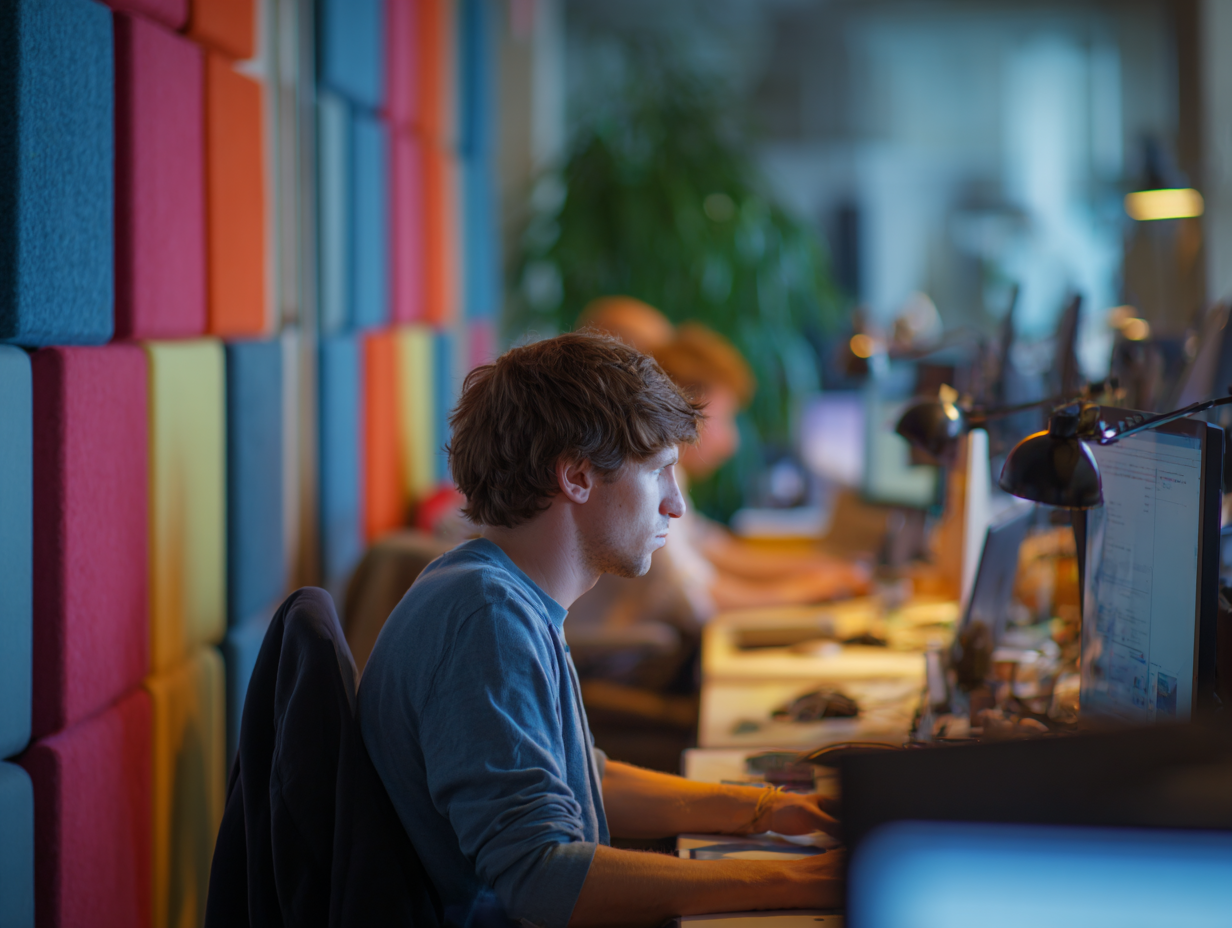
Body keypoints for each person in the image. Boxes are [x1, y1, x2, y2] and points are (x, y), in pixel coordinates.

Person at [358, 334, 844, 928]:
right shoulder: (488, 620)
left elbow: (587, 776)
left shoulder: (499, 591)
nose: (676, 506)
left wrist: (765, 810)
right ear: (578, 478)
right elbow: (541, 878)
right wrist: (789, 878)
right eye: (661, 472)